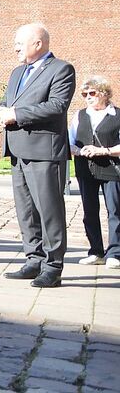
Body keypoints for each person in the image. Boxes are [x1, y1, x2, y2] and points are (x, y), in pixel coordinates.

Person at [0, 23, 76, 288]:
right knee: (26, 210)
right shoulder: (18, 72)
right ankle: (34, 258)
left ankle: (53, 266)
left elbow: (56, 106)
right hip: (18, 150)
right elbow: (7, 101)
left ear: (38, 43)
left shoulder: (61, 69)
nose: (15, 47)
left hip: (45, 152)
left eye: (20, 42)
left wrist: (15, 115)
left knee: (49, 209)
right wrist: (1, 112)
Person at [69, 76, 120, 269]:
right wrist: (80, 151)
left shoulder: (117, 116)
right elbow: (69, 141)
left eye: (92, 93)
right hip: (86, 169)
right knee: (89, 211)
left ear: (104, 94)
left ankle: (115, 253)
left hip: (111, 169)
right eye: (85, 94)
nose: (88, 97)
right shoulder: (80, 115)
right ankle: (96, 251)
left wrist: (104, 151)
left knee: (115, 211)